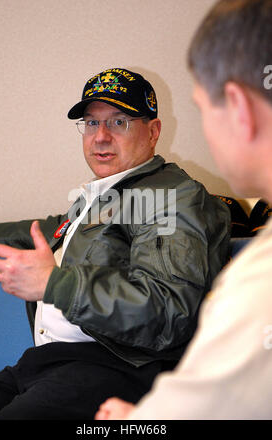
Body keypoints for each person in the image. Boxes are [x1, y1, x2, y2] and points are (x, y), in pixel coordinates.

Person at [0, 68, 230, 420]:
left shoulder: (171, 197)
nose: (101, 137)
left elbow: (168, 312)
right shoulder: (96, 202)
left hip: (116, 370)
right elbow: (25, 232)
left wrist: (54, 284)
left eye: (119, 122)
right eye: (91, 123)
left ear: (153, 131)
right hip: (41, 366)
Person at [95, 0, 272, 421]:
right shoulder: (89, 204)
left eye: (200, 108)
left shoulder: (258, 278)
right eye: (92, 123)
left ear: (239, 109)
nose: (101, 137)